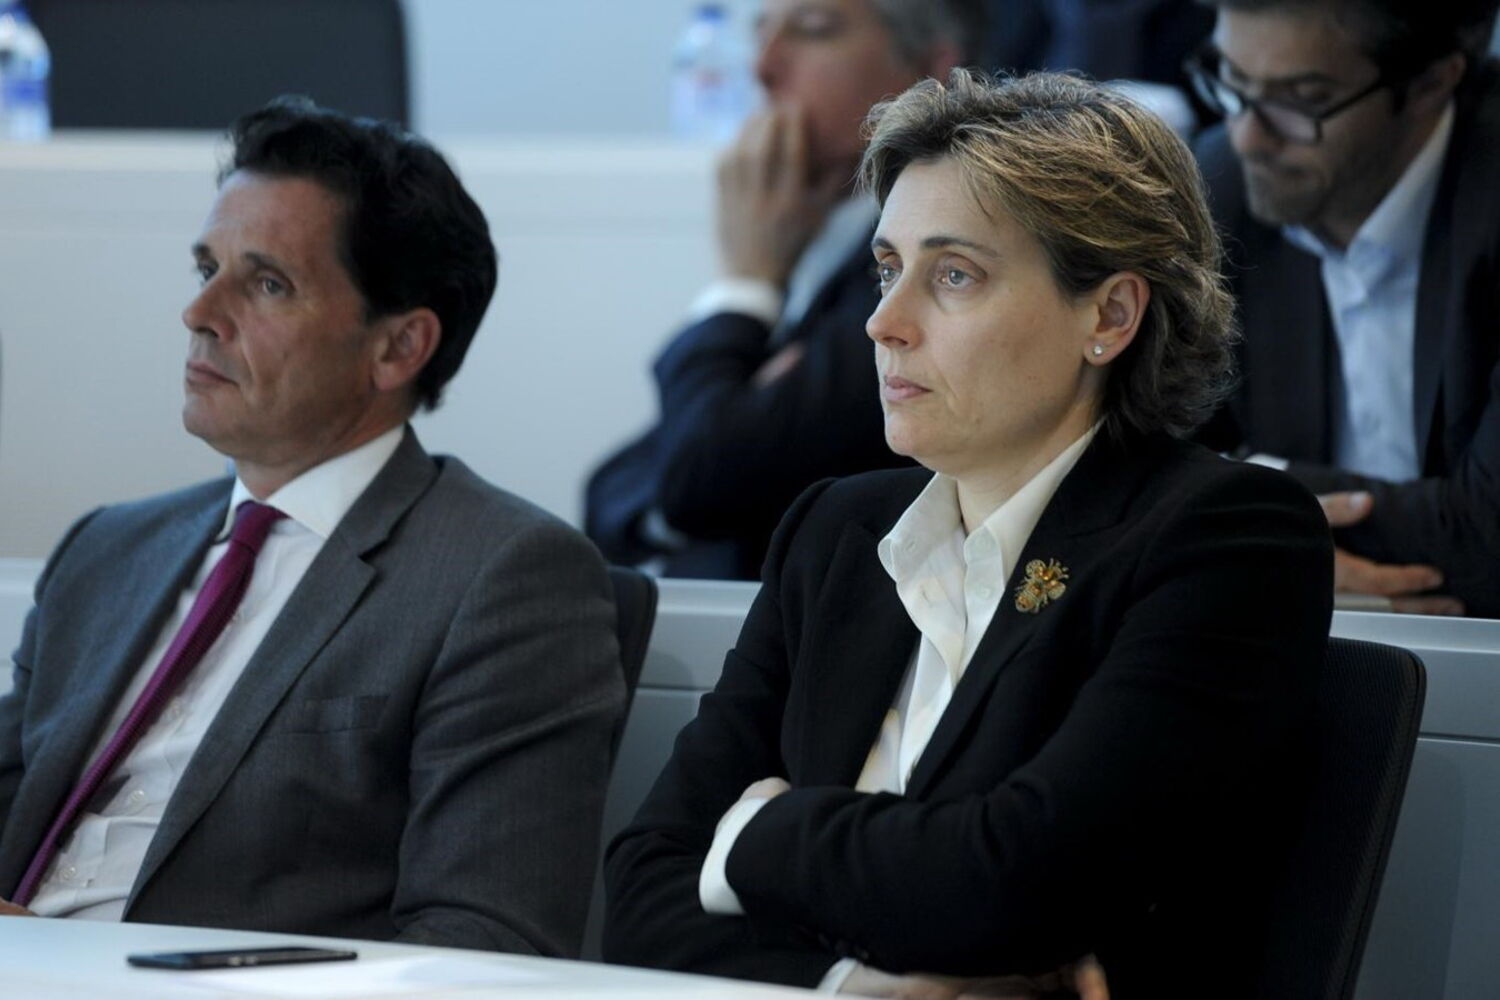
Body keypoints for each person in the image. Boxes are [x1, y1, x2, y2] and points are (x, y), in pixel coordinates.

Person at [603, 70, 1332, 999]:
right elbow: (642, 890)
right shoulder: (836, 531)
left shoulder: (1224, 539)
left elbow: (1013, 881)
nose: (884, 322)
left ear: (1110, 315)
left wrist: (754, 836)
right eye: (886, 268)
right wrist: (850, 985)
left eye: (953, 275)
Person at [0, 99, 625, 956]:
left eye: (266, 284)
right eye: (205, 268)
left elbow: (482, 945)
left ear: (398, 347)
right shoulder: (107, 551)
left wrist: (86, 969)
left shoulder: (506, 577)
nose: (200, 312)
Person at [585, 0, 980, 580]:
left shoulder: (938, 254)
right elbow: (610, 487)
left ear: (929, 70)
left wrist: (746, 281)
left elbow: (701, 474)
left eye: (813, 31)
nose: (762, 68)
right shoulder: (813, 236)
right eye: (761, 34)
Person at [1190, 0, 1500, 616]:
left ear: (1431, 84)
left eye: (1303, 99)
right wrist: (1276, 546)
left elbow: (1487, 541)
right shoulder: (1217, 189)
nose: (1248, 137)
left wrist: (1252, 507)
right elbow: (1129, 471)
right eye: (1233, 80)